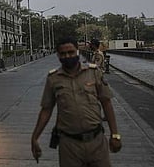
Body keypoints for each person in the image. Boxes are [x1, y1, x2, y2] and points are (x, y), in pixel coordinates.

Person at [31, 37, 121, 166]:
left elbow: (106, 103)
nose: (67, 56)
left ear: (77, 51)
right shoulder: (53, 79)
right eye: (63, 53)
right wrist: (35, 137)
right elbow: (46, 110)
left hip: (97, 141)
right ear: (58, 55)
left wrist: (115, 134)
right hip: (69, 145)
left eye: (71, 52)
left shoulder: (93, 73)